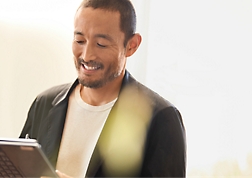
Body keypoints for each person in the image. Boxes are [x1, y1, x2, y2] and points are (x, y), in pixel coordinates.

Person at [19, 0, 186, 177]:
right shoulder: (45, 103)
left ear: (132, 45)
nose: (86, 55)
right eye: (79, 40)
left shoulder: (161, 118)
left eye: (101, 44)